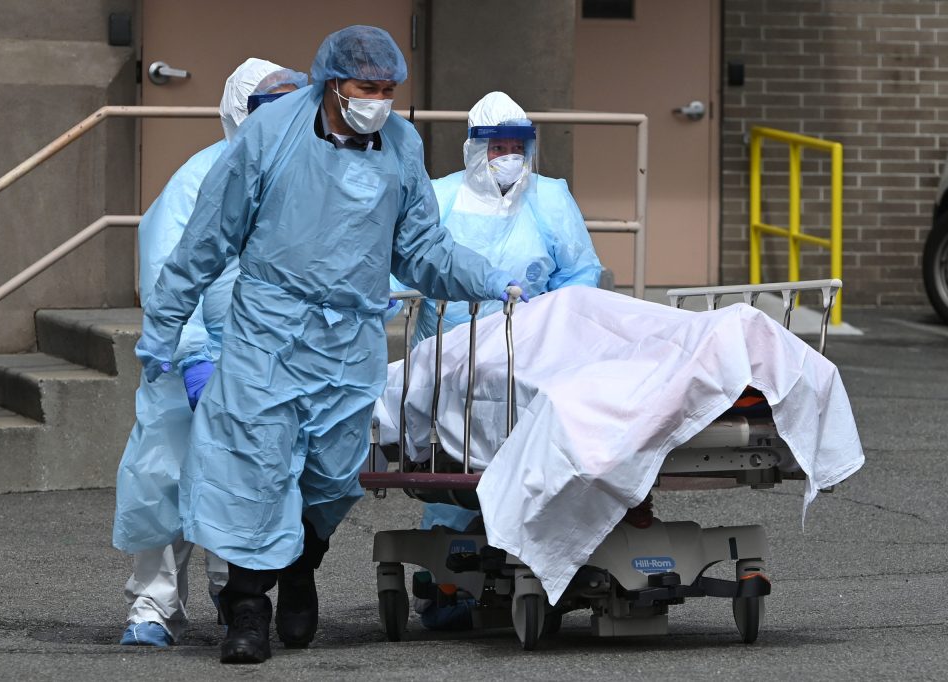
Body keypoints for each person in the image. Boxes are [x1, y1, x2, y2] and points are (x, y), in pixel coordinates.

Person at [133, 25, 527, 664]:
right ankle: (248, 609)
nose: (379, 100)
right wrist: (166, 325)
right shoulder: (274, 134)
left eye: (389, 90)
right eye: (367, 87)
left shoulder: (400, 144)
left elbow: (420, 246)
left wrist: (487, 278)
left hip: (350, 340)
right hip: (270, 328)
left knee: (332, 476)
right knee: (256, 467)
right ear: (332, 84)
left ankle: (300, 565)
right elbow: (208, 236)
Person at [112, 59, 308, 648]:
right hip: (187, 365)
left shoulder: (302, 182)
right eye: (268, 106)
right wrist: (194, 355)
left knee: (247, 483)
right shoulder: (199, 177)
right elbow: (170, 270)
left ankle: (235, 596)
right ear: (237, 112)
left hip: (264, 363)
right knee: (164, 477)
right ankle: (153, 605)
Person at [408, 91, 603, 630]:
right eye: (498, 147)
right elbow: (405, 268)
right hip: (453, 351)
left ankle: (543, 556)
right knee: (457, 457)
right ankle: (446, 573)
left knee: (536, 453)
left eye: (518, 145)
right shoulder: (440, 197)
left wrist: (546, 317)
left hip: (531, 348)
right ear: (475, 149)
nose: (509, 156)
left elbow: (581, 270)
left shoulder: (549, 197)